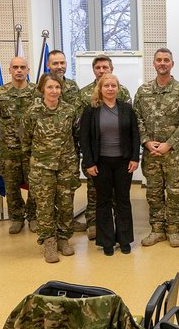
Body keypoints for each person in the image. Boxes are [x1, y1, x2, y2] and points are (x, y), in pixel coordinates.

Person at [134, 48, 179, 248]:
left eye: (166, 60)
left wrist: (169, 144)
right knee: (153, 192)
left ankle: (173, 229)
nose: (162, 63)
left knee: (175, 192)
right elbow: (137, 119)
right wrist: (146, 141)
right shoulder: (143, 91)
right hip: (151, 153)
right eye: (159, 60)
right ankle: (157, 229)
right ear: (154, 64)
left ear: (172, 64)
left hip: (174, 154)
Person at [80, 73, 140, 256]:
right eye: (106, 86)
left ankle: (124, 239)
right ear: (100, 88)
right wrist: (89, 162)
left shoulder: (126, 109)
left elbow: (135, 135)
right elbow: (84, 138)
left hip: (123, 162)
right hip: (100, 163)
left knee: (123, 200)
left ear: (118, 88)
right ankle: (106, 241)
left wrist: (134, 158)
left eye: (113, 85)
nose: (110, 89)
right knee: (103, 201)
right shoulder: (91, 110)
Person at [24, 73, 81, 263]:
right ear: (42, 89)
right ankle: (49, 241)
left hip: (66, 165)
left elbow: (76, 134)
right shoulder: (32, 112)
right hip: (42, 167)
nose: (54, 91)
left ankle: (63, 238)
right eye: (50, 87)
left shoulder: (70, 111)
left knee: (66, 203)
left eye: (57, 87)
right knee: (44, 205)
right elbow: (25, 139)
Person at [77, 55, 131, 240]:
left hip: (119, 154)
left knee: (119, 195)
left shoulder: (122, 91)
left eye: (105, 67)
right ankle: (94, 224)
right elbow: (81, 126)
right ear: (94, 70)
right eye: (98, 67)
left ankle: (120, 230)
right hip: (96, 154)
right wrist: (88, 157)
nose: (101, 70)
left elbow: (129, 123)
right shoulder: (84, 94)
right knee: (95, 193)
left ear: (111, 69)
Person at [0, 57, 39, 235]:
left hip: (32, 149)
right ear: (9, 70)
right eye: (15, 67)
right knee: (11, 186)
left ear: (28, 70)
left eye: (22, 67)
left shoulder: (37, 92)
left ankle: (33, 216)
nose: (19, 70)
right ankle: (17, 218)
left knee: (35, 184)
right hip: (9, 149)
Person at [46, 49, 85, 234]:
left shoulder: (72, 86)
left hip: (69, 148)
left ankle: (67, 220)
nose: (59, 66)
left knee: (68, 187)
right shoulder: (41, 86)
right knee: (46, 189)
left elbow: (77, 116)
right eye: (55, 63)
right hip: (46, 151)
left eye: (62, 63)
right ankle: (48, 222)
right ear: (48, 65)